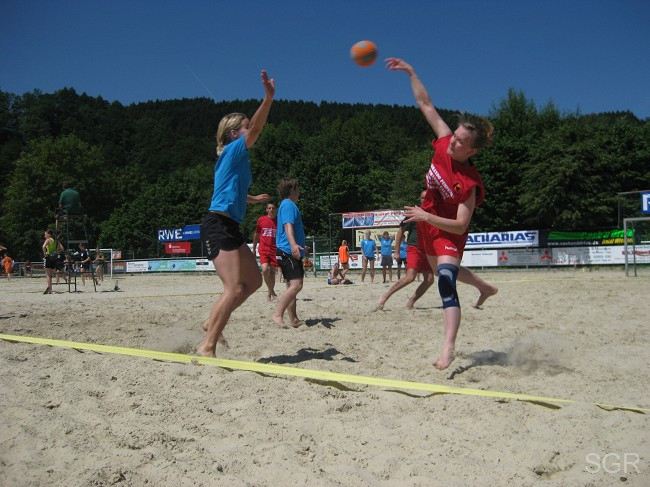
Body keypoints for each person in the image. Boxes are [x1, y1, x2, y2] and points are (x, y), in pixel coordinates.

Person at [387, 57, 496, 370]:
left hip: (446, 229)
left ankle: (448, 348)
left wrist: (426, 216)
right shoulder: (444, 142)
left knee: (445, 281)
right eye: (455, 135)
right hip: (428, 223)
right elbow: (425, 103)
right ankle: (484, 287)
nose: (452, 142)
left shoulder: (469, 184)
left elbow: (461, 226)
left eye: (460, 141)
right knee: (443, 273)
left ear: (471, 151)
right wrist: (411, 72)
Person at [196, 69, 275, 358]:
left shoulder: (237, 158)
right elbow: (256, 130)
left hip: (230, 226)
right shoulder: (233, 150)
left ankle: (212, 322)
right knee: (232, 288)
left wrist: (252, 199)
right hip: (218, 224)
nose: (250, 129)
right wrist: (268, 98)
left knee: (252, 282)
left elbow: (228, 190)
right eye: (245, 126)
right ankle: (208, 345)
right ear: (233, 133)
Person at [272, 178, 306, 328]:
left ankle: (294, 319)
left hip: (288, 250)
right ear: (292, 190)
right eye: (297, 189)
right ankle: (277, 314)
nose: (299, 193)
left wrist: (300, 245)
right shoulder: (288, 205)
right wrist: (293, 244)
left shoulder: (286, 205)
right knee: (297, 285)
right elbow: (288, 226)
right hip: (287, 251)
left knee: (291, 286)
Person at [252, 202, 279, 301]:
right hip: (264, 249)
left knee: (272, 272)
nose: (271, 209)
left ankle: (269, 293)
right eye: (269, 208)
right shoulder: (261, 220)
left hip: (275, 250)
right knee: (264, 270)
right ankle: (272, 292)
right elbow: (256, 234)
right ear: (267, 209)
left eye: (273, 208)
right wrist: (254, 248)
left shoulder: (279, 220)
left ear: (276, 209)